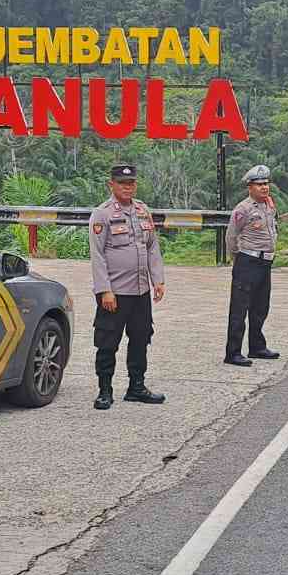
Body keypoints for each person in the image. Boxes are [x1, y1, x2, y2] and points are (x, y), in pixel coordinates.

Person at [88, 163, 167, 409]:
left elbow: (152, 246)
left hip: (140, 291)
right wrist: (105, 290)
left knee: (141, 339)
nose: (127, 187)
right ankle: (105, 390)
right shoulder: (102, 214)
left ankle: (136, 387)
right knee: (107, 342)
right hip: (115, 293)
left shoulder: (142, 210)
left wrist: (158, 279)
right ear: (111, 184)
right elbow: (97, 255)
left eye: (131, 183)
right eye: (122, 183)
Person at [224, 164, 279, 366]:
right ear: (250, 187)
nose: (264, 187)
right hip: (247, 262)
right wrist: (237, 258)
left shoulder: (269, 205)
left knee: (260, 307)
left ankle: (257, 347)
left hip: (265, 262)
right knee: (239, 309)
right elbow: (231, 236)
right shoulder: (243, 209)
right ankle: (233, 353)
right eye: (259, 184)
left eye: (266, 183)